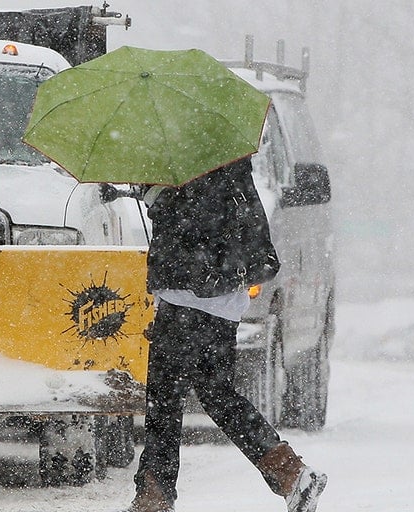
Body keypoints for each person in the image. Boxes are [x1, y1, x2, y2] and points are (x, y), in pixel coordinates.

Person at [122, 156, 327, 512]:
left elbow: (193, 226)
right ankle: (290, 472)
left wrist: (157, 195)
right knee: (214, 394)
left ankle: (153, 497)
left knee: (165, 401)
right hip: (215, 300)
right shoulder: (223, 157)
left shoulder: (193, 163)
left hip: (191, 296)